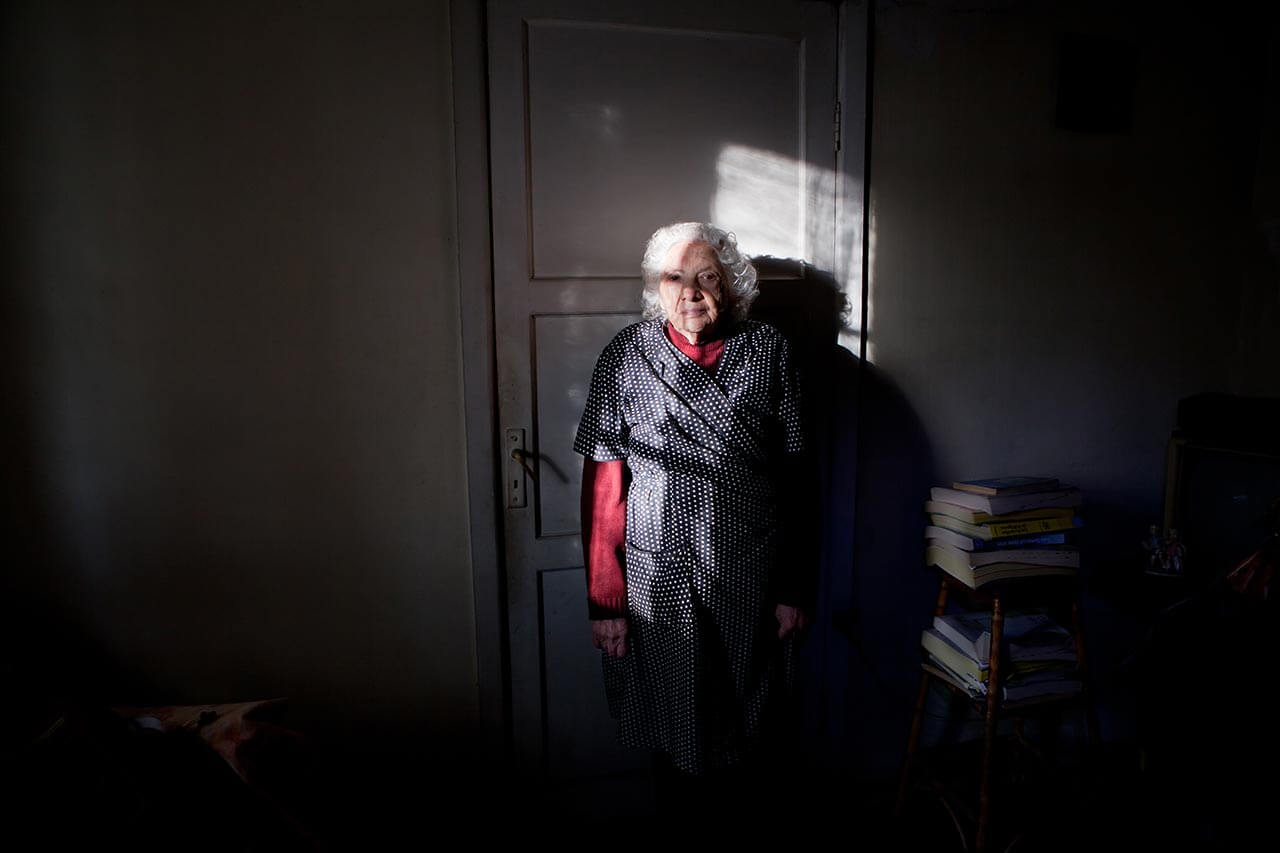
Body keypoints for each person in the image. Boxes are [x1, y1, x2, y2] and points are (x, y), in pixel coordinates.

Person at [574, 222, 816, 803]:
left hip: (751, 574)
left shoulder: (769, 350)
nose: (690, 292)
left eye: (706, 277)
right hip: (660, 578)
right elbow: (604, 489)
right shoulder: (625, 355)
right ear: (656, 287)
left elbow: (798, 477)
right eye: (674, 277)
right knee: (675, 728)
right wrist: (606, 601)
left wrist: (792, 586)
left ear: (729, 286)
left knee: (751, 723)